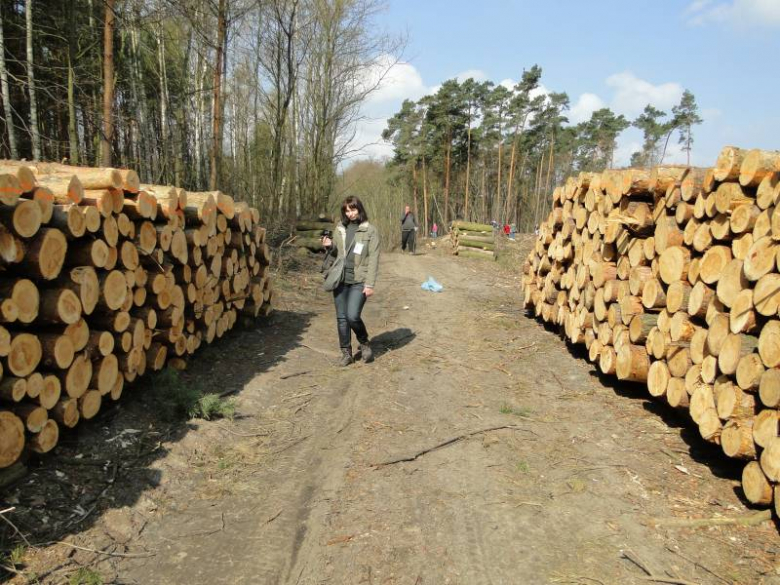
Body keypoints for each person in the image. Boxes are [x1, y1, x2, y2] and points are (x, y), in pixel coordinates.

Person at [322, 196, 381, 366]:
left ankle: (364, 343)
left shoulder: (370, 230)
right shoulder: (340, 228)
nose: (350, 213)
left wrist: (369, 285)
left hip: (359, 280)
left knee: (352, 315)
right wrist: (329, 246)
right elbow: (337, 254)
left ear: (359, 209)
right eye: (347, 210)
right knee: (341, 318)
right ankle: (346, 353)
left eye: (353, 209)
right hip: (340, 279)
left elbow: (374, 259)